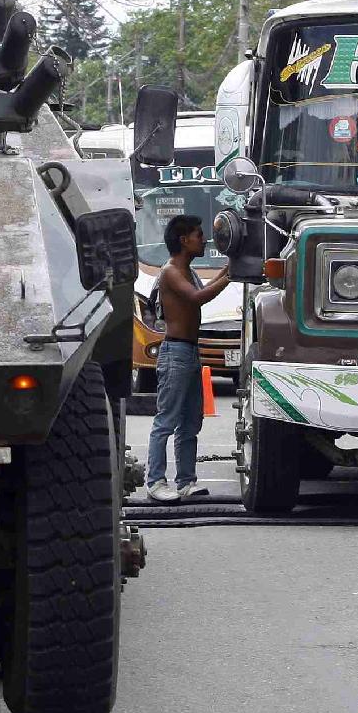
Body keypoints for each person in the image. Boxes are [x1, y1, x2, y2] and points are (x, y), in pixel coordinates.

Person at [145, 214, 231, 503]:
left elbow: (204, 290)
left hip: (190, 352)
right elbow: (197, 298)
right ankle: (155, 481)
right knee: (166, 421)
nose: (203, 239)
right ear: (184, 240)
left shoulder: (186, 270)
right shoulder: (170, 271)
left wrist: (231, 269)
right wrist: (229, 276)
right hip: (175, 352)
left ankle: (186, 482)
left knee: (191, 421)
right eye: (198, 234)